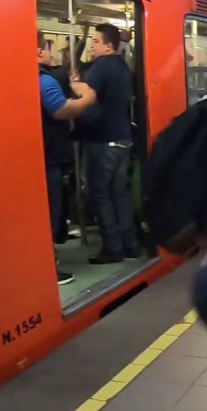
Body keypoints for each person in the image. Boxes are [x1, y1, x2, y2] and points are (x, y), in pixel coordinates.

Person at [77, 23, 142, 265]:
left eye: (95, 41)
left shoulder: (101, 67)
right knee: (120, 193)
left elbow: (87, 100)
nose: (92, 46)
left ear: (108, 46)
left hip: (103, 139)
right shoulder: (122, 67)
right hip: (123, 137)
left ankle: (113, 247)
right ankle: (131, 244)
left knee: (100, 194)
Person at [37, 36, 96, 285]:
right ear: (40, 51)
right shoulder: (44, 79)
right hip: (50, 156)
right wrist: (86, 97)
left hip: (41, 153)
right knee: (50, 210)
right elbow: (60, 109)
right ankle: (50, 266)